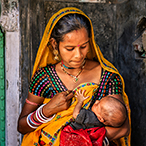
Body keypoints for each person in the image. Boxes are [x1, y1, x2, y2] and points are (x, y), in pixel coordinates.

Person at [17, 7, 131, 146]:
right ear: (55, 44)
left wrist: (84, 140)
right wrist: (47, 110)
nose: (78, 55)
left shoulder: (107, 77)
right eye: (70, 48)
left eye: (83, 46)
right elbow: (22, 127)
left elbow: (123, 128)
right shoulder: (44, 78)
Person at [60, 89, 128, 146]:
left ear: (101, 118)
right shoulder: (102, 123)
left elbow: (76, 115)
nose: (96, 101)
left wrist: (80, 101)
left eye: (97, 104)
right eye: (99, 100)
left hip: (70, 134)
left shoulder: (90, 116)